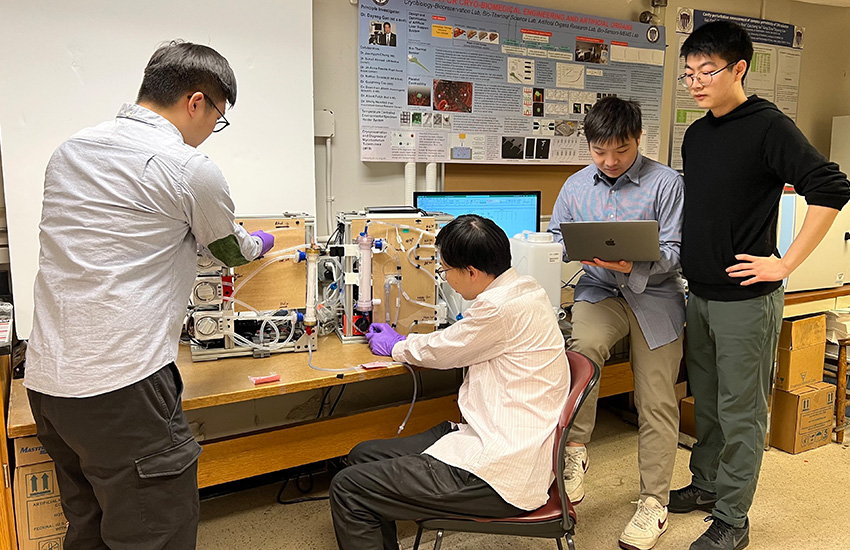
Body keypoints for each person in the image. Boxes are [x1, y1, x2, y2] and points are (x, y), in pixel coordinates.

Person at [24, 41, 275, 550]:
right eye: (218, 119)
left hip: (49, 383)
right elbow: (229, 249)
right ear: (197, 101)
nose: (211, 133)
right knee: (155, 531)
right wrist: (262, 243)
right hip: (122, 386)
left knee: (90, 523)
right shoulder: (187, 167)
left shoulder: (71, 150)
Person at [670, 21, 850, 550]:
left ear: (739, 69)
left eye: (708, 71)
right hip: (698, 293)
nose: (697, 82)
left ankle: (733, 517)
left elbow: (832, 187)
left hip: (746, 300)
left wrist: (785, 263)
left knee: (741, 409)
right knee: (705, 401)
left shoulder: (770, 126)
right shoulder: (698, 133)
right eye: (689, 73)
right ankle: (706, 486)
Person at [329, 214, 569, 550]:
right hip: (492, 434)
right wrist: (406, 341)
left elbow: (444, 351)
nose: (444, 276)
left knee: (348, 487)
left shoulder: (498, 308)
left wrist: (397, 345)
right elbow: (461, 340)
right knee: (362, 456)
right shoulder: (526, 289)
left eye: (445, 270)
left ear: (471, 272)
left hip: (498, 470)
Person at [547, 96, 685, 550]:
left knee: (657, 399)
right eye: (599, 151)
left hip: (657, 297)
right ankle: (576, 452)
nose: (609, 162)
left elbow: (678, 252)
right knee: (581, 351)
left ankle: (654, 505)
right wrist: (571, 251)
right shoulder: (575, 186)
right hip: (600, 291)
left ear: (638, 140)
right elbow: (554, 239)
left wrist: (634, 264)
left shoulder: (666, 183)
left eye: (621, 151)